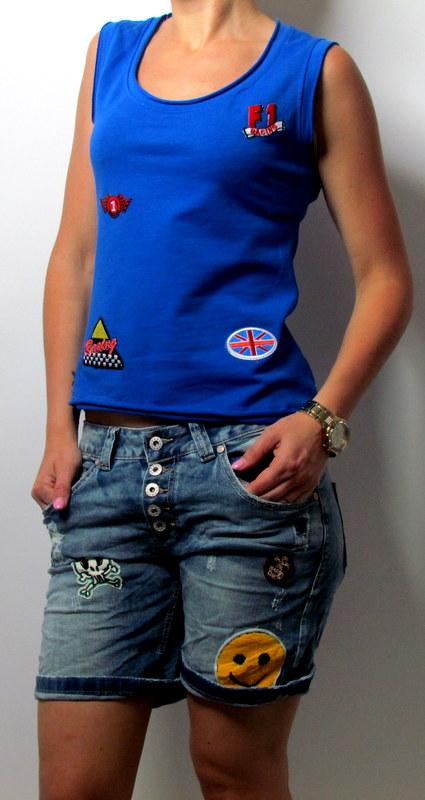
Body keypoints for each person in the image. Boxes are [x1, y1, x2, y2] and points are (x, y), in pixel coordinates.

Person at [31, 2, 413, 799]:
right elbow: (76, 254)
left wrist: (322, 421)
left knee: (233, 773)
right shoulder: (110, 54)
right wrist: (58, 429)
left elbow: (384, 277)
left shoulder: (315, 72)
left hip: (248, 481)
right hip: (103, 477)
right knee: (74, 785)